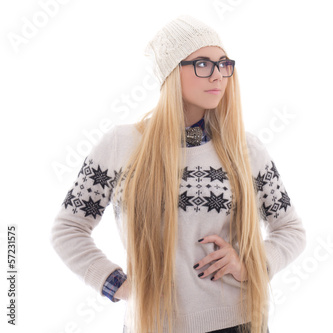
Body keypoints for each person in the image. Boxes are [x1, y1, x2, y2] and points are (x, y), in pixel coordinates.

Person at [50, 15, 306, 333]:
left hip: (237, 323)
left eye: (223, 64)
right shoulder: (122, 144)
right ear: (172, 71)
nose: (217, 76)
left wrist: (251, 265)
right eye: (202, 64)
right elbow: (68, 229)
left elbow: (291, 230)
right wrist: (119, 285)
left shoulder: (245, 148)